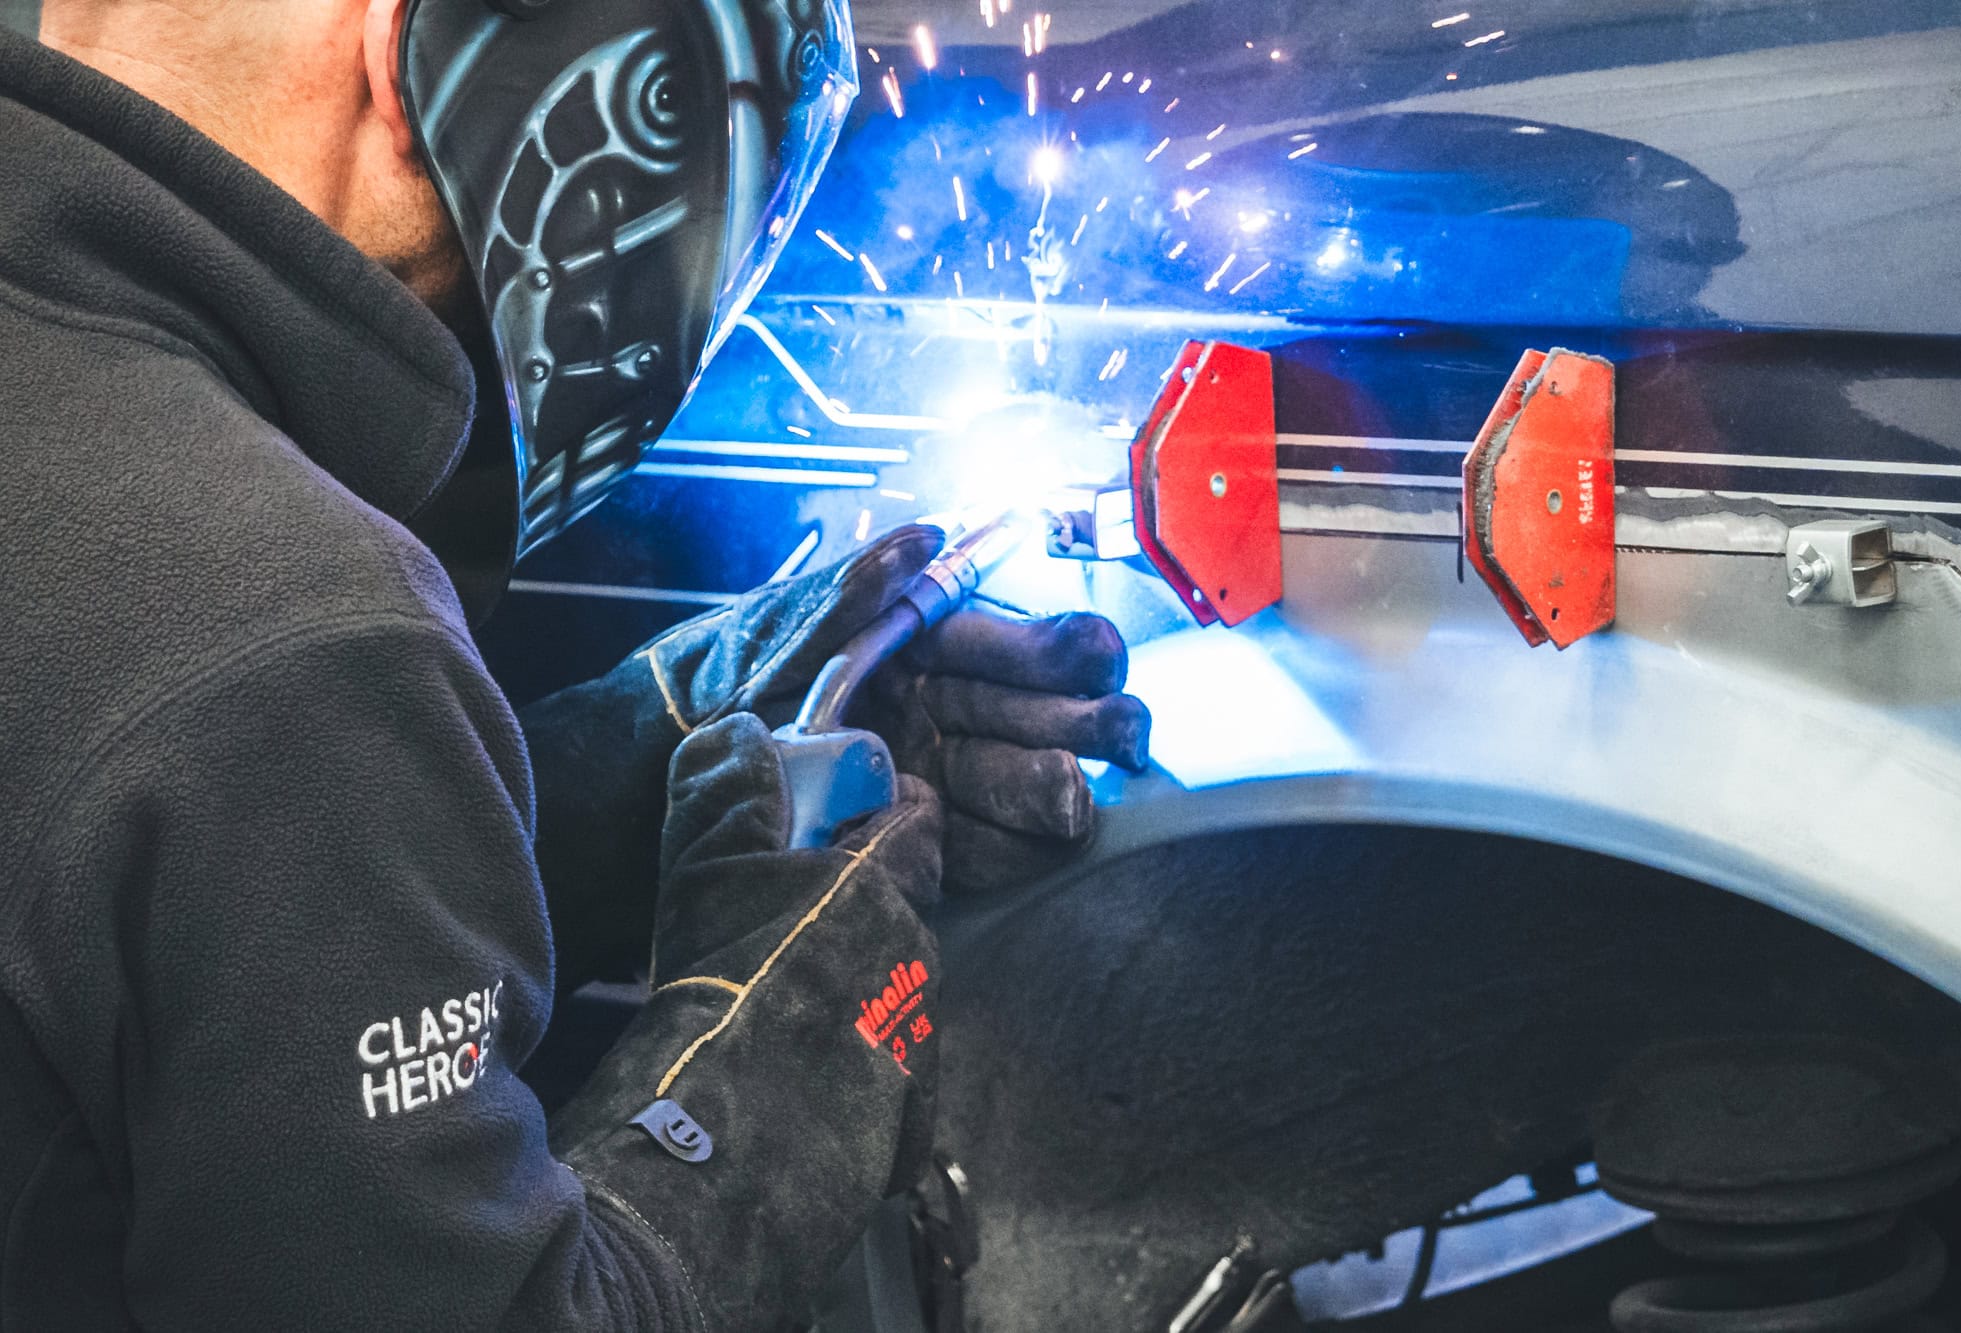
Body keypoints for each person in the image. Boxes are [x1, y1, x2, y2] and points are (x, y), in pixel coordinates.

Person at [0, 0, 1149, 1327]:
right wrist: (759, 1062)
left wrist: (650, 755)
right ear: (414, 54)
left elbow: (188, 932)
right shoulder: (297, 637)